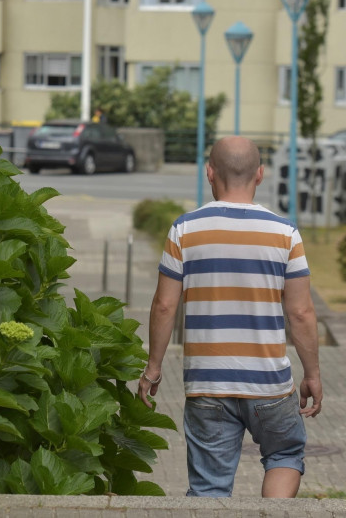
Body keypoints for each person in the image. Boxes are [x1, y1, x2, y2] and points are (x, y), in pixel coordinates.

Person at [138, 135, 323, 498]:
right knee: (284, 454)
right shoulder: (285, 233)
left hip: (208, 384)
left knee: (209, 487)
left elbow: (164, 305)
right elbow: (300, 312)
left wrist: (153, 367)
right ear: (260, 174)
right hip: (269, 384)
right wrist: (312, 374)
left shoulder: (184, 230)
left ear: (209, 173)